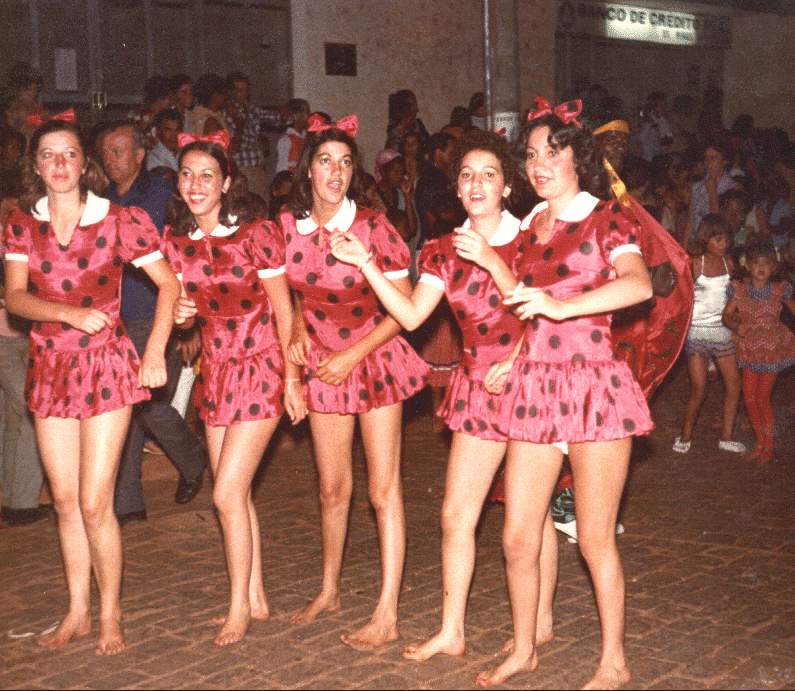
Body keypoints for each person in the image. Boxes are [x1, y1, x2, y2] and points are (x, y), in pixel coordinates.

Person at [328, 129, 559, 684]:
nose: (476, 185)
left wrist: (520, 355)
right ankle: (452, 629)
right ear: (456, 187)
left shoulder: (534, 239)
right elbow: (410, 318)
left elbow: (548, 314)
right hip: (478, 388)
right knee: (457, 515)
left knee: (533, 518)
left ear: (508, 187)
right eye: (466, 176)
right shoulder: (441, 250)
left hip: (533, 383)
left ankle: (541, 621)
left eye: (488, 175)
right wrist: (367, 266)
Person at [471, 98, 655, 688]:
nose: (540, 164)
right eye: (531, 154)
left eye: (553, 151)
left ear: (579, 155)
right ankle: (525, 646)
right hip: (535, 385)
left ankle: (614, 662)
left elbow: (638, 286)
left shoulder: (609, 219)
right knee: (518, 533)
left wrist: (560, 304)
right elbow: (531, 307)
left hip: (594, 386)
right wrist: (516, 356)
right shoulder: (529, 230)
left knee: (594, 539)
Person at [2, 117, 179, 654]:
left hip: (106, 367)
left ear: (85, 164)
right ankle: (77, 609)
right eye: (49, 155)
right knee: (63, 501)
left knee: (96, 500)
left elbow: (169, 286)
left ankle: (111, 613)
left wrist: (153, 354)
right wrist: (67, 315)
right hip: (51, 366)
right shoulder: (20, 226)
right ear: (35, 165)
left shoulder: (118, 221)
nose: (59, 164)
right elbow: (15, 298)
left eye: (70, 154)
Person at [274, 114, 427, 650]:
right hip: (322, 364)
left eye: (344, 162)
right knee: (331, 487)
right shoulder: (288, 227)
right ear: (308, 170)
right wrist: (297, 328)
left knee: (383, 490)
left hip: (374, 357)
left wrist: (351, 355)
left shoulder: (374, 227)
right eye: (324, 161)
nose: (335, 173)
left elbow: (404, 309)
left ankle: (387, 611)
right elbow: (295, 290)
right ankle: (330, 589)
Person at [165, 130, 306, 645]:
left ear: (226, 182)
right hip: (218, 373)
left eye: (207, 175)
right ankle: (257, 597)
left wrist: (293, 378)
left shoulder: (256, 234)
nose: (197, 184)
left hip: (262, 366)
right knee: (236, 493)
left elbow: (285, 309)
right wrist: (182, 319)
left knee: (224, 494)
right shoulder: (177, 243)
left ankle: (236, 608)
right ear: (179, 185)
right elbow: (186, 319)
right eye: (188, 175)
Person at [100, 122, 208, 519]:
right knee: (124, 408)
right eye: (106, 152)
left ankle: (194, 460)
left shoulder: (162, 195)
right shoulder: (105, 200)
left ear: (140, 155)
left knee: (149, 407)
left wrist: (188, 323)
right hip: (119, 320)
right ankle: (128, 502)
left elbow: (185, 256)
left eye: (119, 151)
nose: (111, 159)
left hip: (158, 316)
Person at [674, 214, 745, 454]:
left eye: (726, 239)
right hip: (697, 333)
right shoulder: (695, 264)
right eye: (717, 239)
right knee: (699, 388)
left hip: (722, 332)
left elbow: (735, 300)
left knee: (734, 386)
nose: (723, 244)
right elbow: (681, 298)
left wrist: (736, 326)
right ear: (705, 239)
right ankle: (684, 435)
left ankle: (726, 437)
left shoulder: (730, 264)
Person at [723, 240, 795, 464]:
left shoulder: (779, 290)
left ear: (773, 267)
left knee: (762, 398)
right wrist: (737, 326)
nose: (761, 269)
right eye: (756, 264)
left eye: (766, 264)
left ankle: (769, 446)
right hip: (749, 348)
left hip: (772, 349)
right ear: (748, 266)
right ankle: (760, 443)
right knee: (749, 398)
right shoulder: (740, 291)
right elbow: (726, 316)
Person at [0, 261, 46, 525]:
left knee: (13, 416)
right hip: (4, 341)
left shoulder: (19, 225)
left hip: (27, 337)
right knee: (32, 410)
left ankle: (12, 498)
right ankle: (23, 505)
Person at [224, 72, 282, 198]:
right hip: (241, 168)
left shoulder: (252, 110)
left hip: (258, 167)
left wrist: (288, 115)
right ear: (230, 92)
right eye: (238, 90)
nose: (241, 94)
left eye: (245, 90)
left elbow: (275, 118)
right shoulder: (227, 112)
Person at [688, 139, 737, 244]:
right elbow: (690, 220)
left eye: (713, 158)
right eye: (706, 158)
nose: (708, 162)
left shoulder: (731, 188)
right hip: (696, 241)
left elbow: (718, 222)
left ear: (724, 161)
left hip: (717, 244)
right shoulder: (697, 186)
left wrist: (712, 192)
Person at [274, 98, 309, 174]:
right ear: (295, 116)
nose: (307, 117)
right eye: (305, 113)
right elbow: (281, 168)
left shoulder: (306, 138)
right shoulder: (286, 140)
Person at [146, 108, 183, 173]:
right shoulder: (154, 158)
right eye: (168, 130)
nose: (173, 135)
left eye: (177, 130)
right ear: (158, 131)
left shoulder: (184, 154)